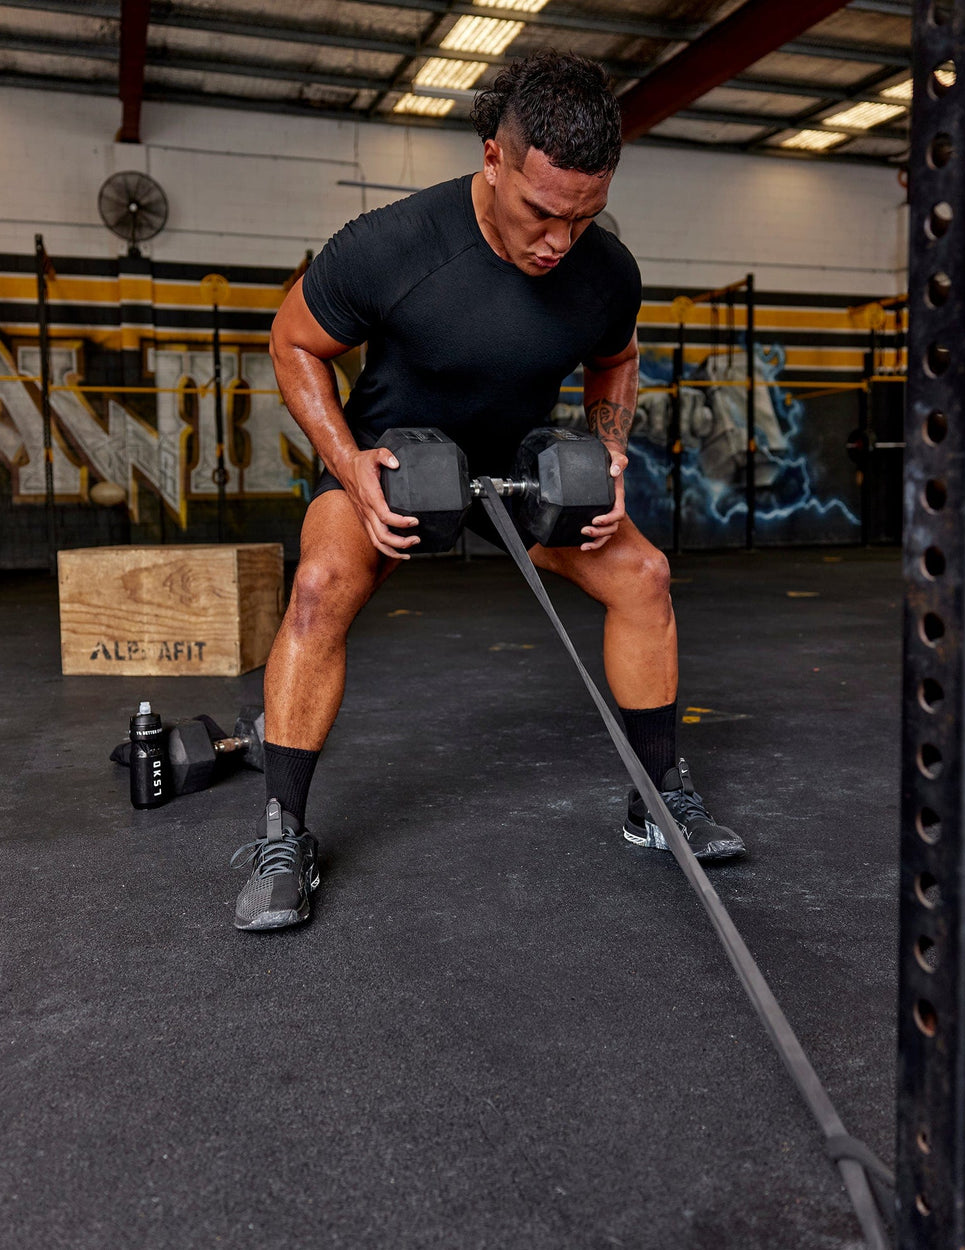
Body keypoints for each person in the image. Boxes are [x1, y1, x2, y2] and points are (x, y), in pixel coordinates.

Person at [230, 51, 746, 932]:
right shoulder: (393, 244)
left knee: (644, 576)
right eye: (541, 212)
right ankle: (284, 835)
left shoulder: (603, 271)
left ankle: (660, 802)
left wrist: (609, 450)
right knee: (316, 591)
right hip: (393, 463)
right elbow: (293, 343)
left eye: (582, 219)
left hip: (521, 468)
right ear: (493, 159)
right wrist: (350, 463)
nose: (558, 241)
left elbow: (614, 360)